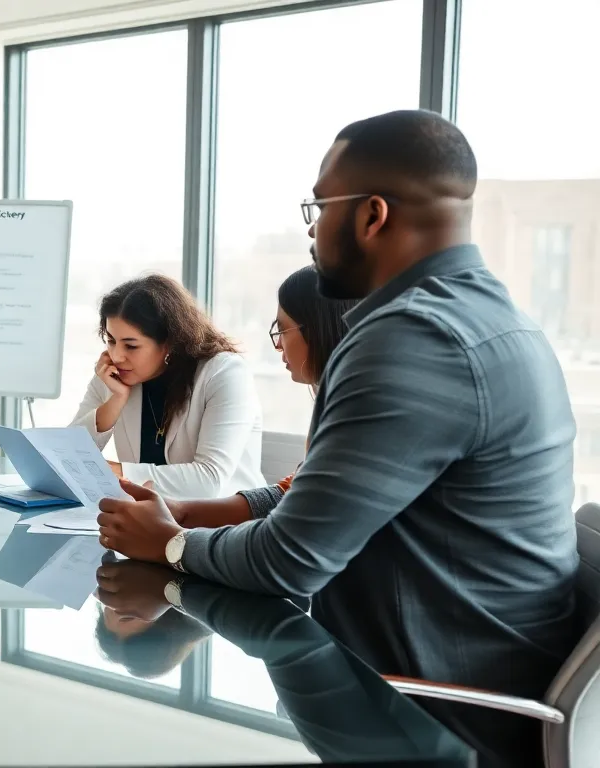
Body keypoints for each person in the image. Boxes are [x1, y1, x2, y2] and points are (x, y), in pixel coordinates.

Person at [95, 110, 579, 768]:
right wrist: (192, 513)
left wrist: (172, 543)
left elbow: (289, 561)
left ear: (371, 215)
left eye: (319, 207)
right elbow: (333, 496)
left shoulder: (413, 340)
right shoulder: (489, 318)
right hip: (421, 680)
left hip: (437, 717)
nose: (313, 229)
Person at [167, 265, 356, 529]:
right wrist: (179, 511)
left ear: (318, 328)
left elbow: (292, 531)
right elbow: (288, 493)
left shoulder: (356, 419)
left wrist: (175, 542)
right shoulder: (334, 402)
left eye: (282, 330)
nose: (277, 344)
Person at [70, 274, 264, 499]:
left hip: (224, 526)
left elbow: (209, 481)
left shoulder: (224, 372)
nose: (117, 356)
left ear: (170, 342)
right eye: (111, 340)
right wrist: (115, 402)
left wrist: (115, 472)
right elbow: (64, 457)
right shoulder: (113, 373)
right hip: (150, 520)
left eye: (131, 346)